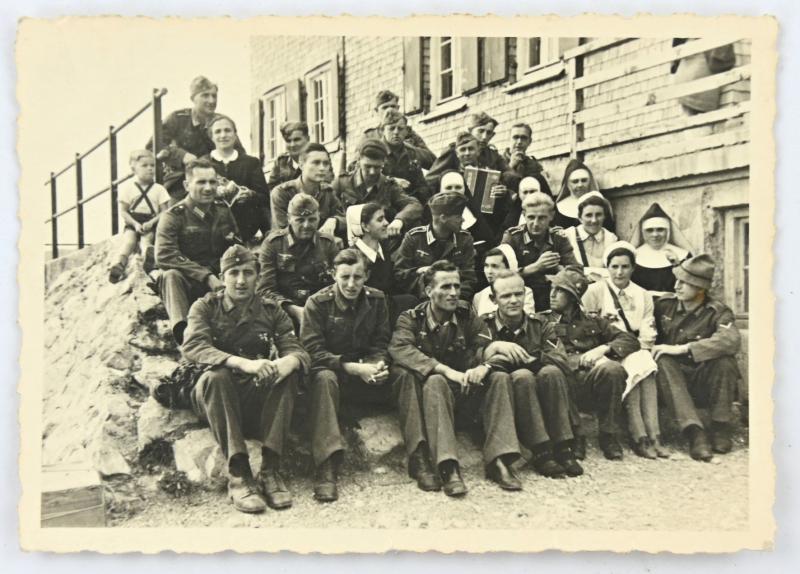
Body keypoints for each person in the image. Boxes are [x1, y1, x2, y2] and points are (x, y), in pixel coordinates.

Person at [182, 245, 310, 514]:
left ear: (258, 276)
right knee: (217, 377)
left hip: (252, 395)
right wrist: (242, 363)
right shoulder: (205, 307)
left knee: (287, 377)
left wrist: (290, 361)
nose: (241, 281)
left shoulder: (271, 310)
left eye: (248, 273)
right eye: (234, 273)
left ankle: (270, 470)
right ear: (222, 275)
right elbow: (194, 347)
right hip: (214, 398)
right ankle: (239, 474)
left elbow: (295, 347)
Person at [389, 261, 523, 495]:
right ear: (429, 291)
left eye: (457, 286)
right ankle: (448, 465)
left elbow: (486, 347)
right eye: (445, 287)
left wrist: (485, 366)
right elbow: (400, 349)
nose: (453, 293)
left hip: (465, 393)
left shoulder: (466, 315)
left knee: (499, 377)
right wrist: (444, 369)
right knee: (436, 380)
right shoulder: (410, 318)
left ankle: (499, 460)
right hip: (432, 401)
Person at [300, 249, 392, 502]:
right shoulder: (317, 304)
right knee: (323, 378)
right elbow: (313, 352)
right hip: (335, 376)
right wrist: (354, 368)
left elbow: (382, 341)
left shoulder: (377, 299)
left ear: (367, 276)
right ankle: (326, 467)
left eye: (358, 277)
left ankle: (421, 455)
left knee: (406, 374)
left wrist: (377, 365)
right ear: (333, 275)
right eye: (345, 277)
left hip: (365, 377)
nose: (351, 284)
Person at [481, 270, 583, 478]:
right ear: (493, 299)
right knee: (522, 376)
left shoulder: (540, 324)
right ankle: (541, 450)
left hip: (540, 389)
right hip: (504, 392)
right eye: (506, 296)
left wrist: (530, 360)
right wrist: (497, 350)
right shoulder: (485, 326)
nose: (514, 301)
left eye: (518, 294)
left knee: (552, 371)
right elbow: (476, 358)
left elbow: (560, 358)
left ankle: (563, 446)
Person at [542, 267, 641, 460]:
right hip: (561, 383)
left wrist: (602, 349)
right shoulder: (541, 321)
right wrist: (576, 361)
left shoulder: (593, 321)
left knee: (613, 369)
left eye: (559, 290)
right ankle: (575, 435)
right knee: (556, 371)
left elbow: (630, 340)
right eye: (552, 288)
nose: (552, 294)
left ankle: (608, 435)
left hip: (590, 385)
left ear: (572, 296)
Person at [581, 242, 668, 459]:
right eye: (615, 266)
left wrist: (638, 348)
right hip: (603, 351)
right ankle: (639, 435)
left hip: (633, 347)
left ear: (633, 268)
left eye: (625, 267)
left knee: (644, 365)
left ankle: (655, 434)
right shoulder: (594, 291)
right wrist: (611, 349)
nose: (620, 272)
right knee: (636, 367)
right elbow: (587, 328)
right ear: (607, 267)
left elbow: (648, 330)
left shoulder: (642, 294)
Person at [652, 254, 741, 462]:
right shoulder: (664, 305)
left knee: (725, 361)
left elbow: (731, 341)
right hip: (672, 383)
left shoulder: (717, 311)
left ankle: (720, 426)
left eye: (685, 282)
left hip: (703, 380)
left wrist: (684, 349)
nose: (677, 286)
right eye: (677, 280)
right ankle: (695, 433)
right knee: (663, 360)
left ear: (701, 288)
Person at [154, 158, 239, 344]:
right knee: (170, 275)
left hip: (219, 280)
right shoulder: (173, 216)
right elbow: (164, 255)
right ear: (186, 185)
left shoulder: (223, 210)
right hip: (188, 281)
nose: (208, 188)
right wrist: (206, 277)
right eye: (201, 182)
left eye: (212, 182)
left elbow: (235, 245)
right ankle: (185, 335)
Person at [148, 76, 244, 200]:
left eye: (214, 96)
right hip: (180, 182)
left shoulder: (222, 123)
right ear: (193, 98)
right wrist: (181, 156)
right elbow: (153, 146)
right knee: (176, 211)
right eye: (205, 95)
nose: (211, 100)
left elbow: (240, 153)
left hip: (216, 180)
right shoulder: (177, 119)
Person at [256, 193, 339, 327]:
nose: (306, 225)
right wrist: (293, 310)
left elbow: (338, 284)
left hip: (322, 312)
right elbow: (265, 290)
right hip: (283, 314)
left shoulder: (328, 244)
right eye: (300, 220)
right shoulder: (273, 245)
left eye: (312, 219)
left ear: (319, 217)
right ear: (289, 218)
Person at [333, 137, 423, 250]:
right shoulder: (342, 183)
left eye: (377, 167)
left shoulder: (388, 185)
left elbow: (414, 205)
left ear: (383, 163)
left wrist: (399, 220)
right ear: (359, 160)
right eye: (367, 166)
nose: (372, 172)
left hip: (380, 248)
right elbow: (326, 210)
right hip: (347, 248)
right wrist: (333, 222)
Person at [393, 191, 477, 301]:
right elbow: (400, 275)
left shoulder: (464, 239)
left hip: (453, 300)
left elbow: (469, 278)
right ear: (443, 218)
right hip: (420, 300)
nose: (462, 220)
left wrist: (451, 296)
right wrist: (422, 272)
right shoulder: (414, 238)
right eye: (458, 216)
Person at [501, 192, 578, 311]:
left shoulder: (559, 237)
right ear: (524, 215)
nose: (536, 224)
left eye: (542, 218)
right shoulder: (512, 237)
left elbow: (576, 272)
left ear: (551, 216)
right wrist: (536, 267)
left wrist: (559, 270)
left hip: (553, 297)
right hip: (521, 297)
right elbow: (501, 275)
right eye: (531, 217)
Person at [202, 115, 269, 242]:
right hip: (210, 228)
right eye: (218, 131)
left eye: (227, 130)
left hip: (244, 227)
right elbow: (192, 202)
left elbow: (265, 198)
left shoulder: (251, 163)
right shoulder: (202, 163)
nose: (223, 135)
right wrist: (212, 194)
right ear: (211, 137)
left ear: (235, 134)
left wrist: (250, 194)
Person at [108, 149, 171, 283]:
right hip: (133, 222)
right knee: (129, 241)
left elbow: (165, 211)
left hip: (151, 222)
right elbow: (123, 211)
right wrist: (135, 224)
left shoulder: (159, 189)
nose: (150, 169)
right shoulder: (128, 188)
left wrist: (152, 223)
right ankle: (119, 265)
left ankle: (149, 262)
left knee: (146, 241)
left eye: (152, 165)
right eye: (144, 165)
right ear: (134, 168)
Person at [346, 203, 418, 321]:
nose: (386, 223)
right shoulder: (353, 256)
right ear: (365, 226)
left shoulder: (384, 248)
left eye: (385, 218)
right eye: (380, 220)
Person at [271, 143, 343, 234]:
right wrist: (325, 241)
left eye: (326, 163)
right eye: (316, 163)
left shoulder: (327, 192)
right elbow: (284, 233)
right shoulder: (282, 193)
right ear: (301, 165)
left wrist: (334, 221)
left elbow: (344, 218)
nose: (322, 168)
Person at [426, 111, 510, 188]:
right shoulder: (453, 151)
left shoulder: (492, 154)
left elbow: (509, 173)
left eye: (489, 133)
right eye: (480, 131)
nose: (484, 137)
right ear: (470, 131)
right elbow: (431, 179)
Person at [630, 202, 694, 295]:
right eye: (649, 230)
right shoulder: (633, 257)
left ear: (668, 231)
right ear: (642, 232)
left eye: (660, 229)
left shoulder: (684, 256)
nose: (655, 235)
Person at [363, 89, 435, 169]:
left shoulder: (409, 133)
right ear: (376, 111)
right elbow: (354, 166)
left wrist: (406, 148)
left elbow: (432, 161)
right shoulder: (369, 136)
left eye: (393, 106)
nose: (389, 110)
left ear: (398, 108)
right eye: (385, 107)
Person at [378, 110, 432, 205]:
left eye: (400, 129)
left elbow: (421, 182)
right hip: (383, 201)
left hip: (410, 202)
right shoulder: (374, 151)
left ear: (406, 131)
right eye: (391, 128)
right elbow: (365, 178)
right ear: (382, 131)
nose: (396, 132)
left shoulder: (411, 152)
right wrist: (392, 181)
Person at [563, 192, 619, 281]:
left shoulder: (611, 239)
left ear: (604, 216)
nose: (594, 220)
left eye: (598, 215)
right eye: (588, 215)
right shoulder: (567, 236)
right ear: (580, 218)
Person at [472, 245, 535, 316]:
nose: (489, 271)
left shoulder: (525, 293)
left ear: (508, 267)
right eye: (486, 266)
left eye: (494, 266)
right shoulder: (479, 296)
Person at [553, 159, 613, 231]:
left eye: (584, 180)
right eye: (575, 181)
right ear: (567, 184)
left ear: (590, 181)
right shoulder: (558, 207)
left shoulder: (601, 203)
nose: (580, 185)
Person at [502, 122, 545, 188]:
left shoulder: (534, 166)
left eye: (523, 138)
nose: (519, 142)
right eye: (515, 137)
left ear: (529, 141)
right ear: (509, 139)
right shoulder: (497, 162)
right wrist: (511, 166)